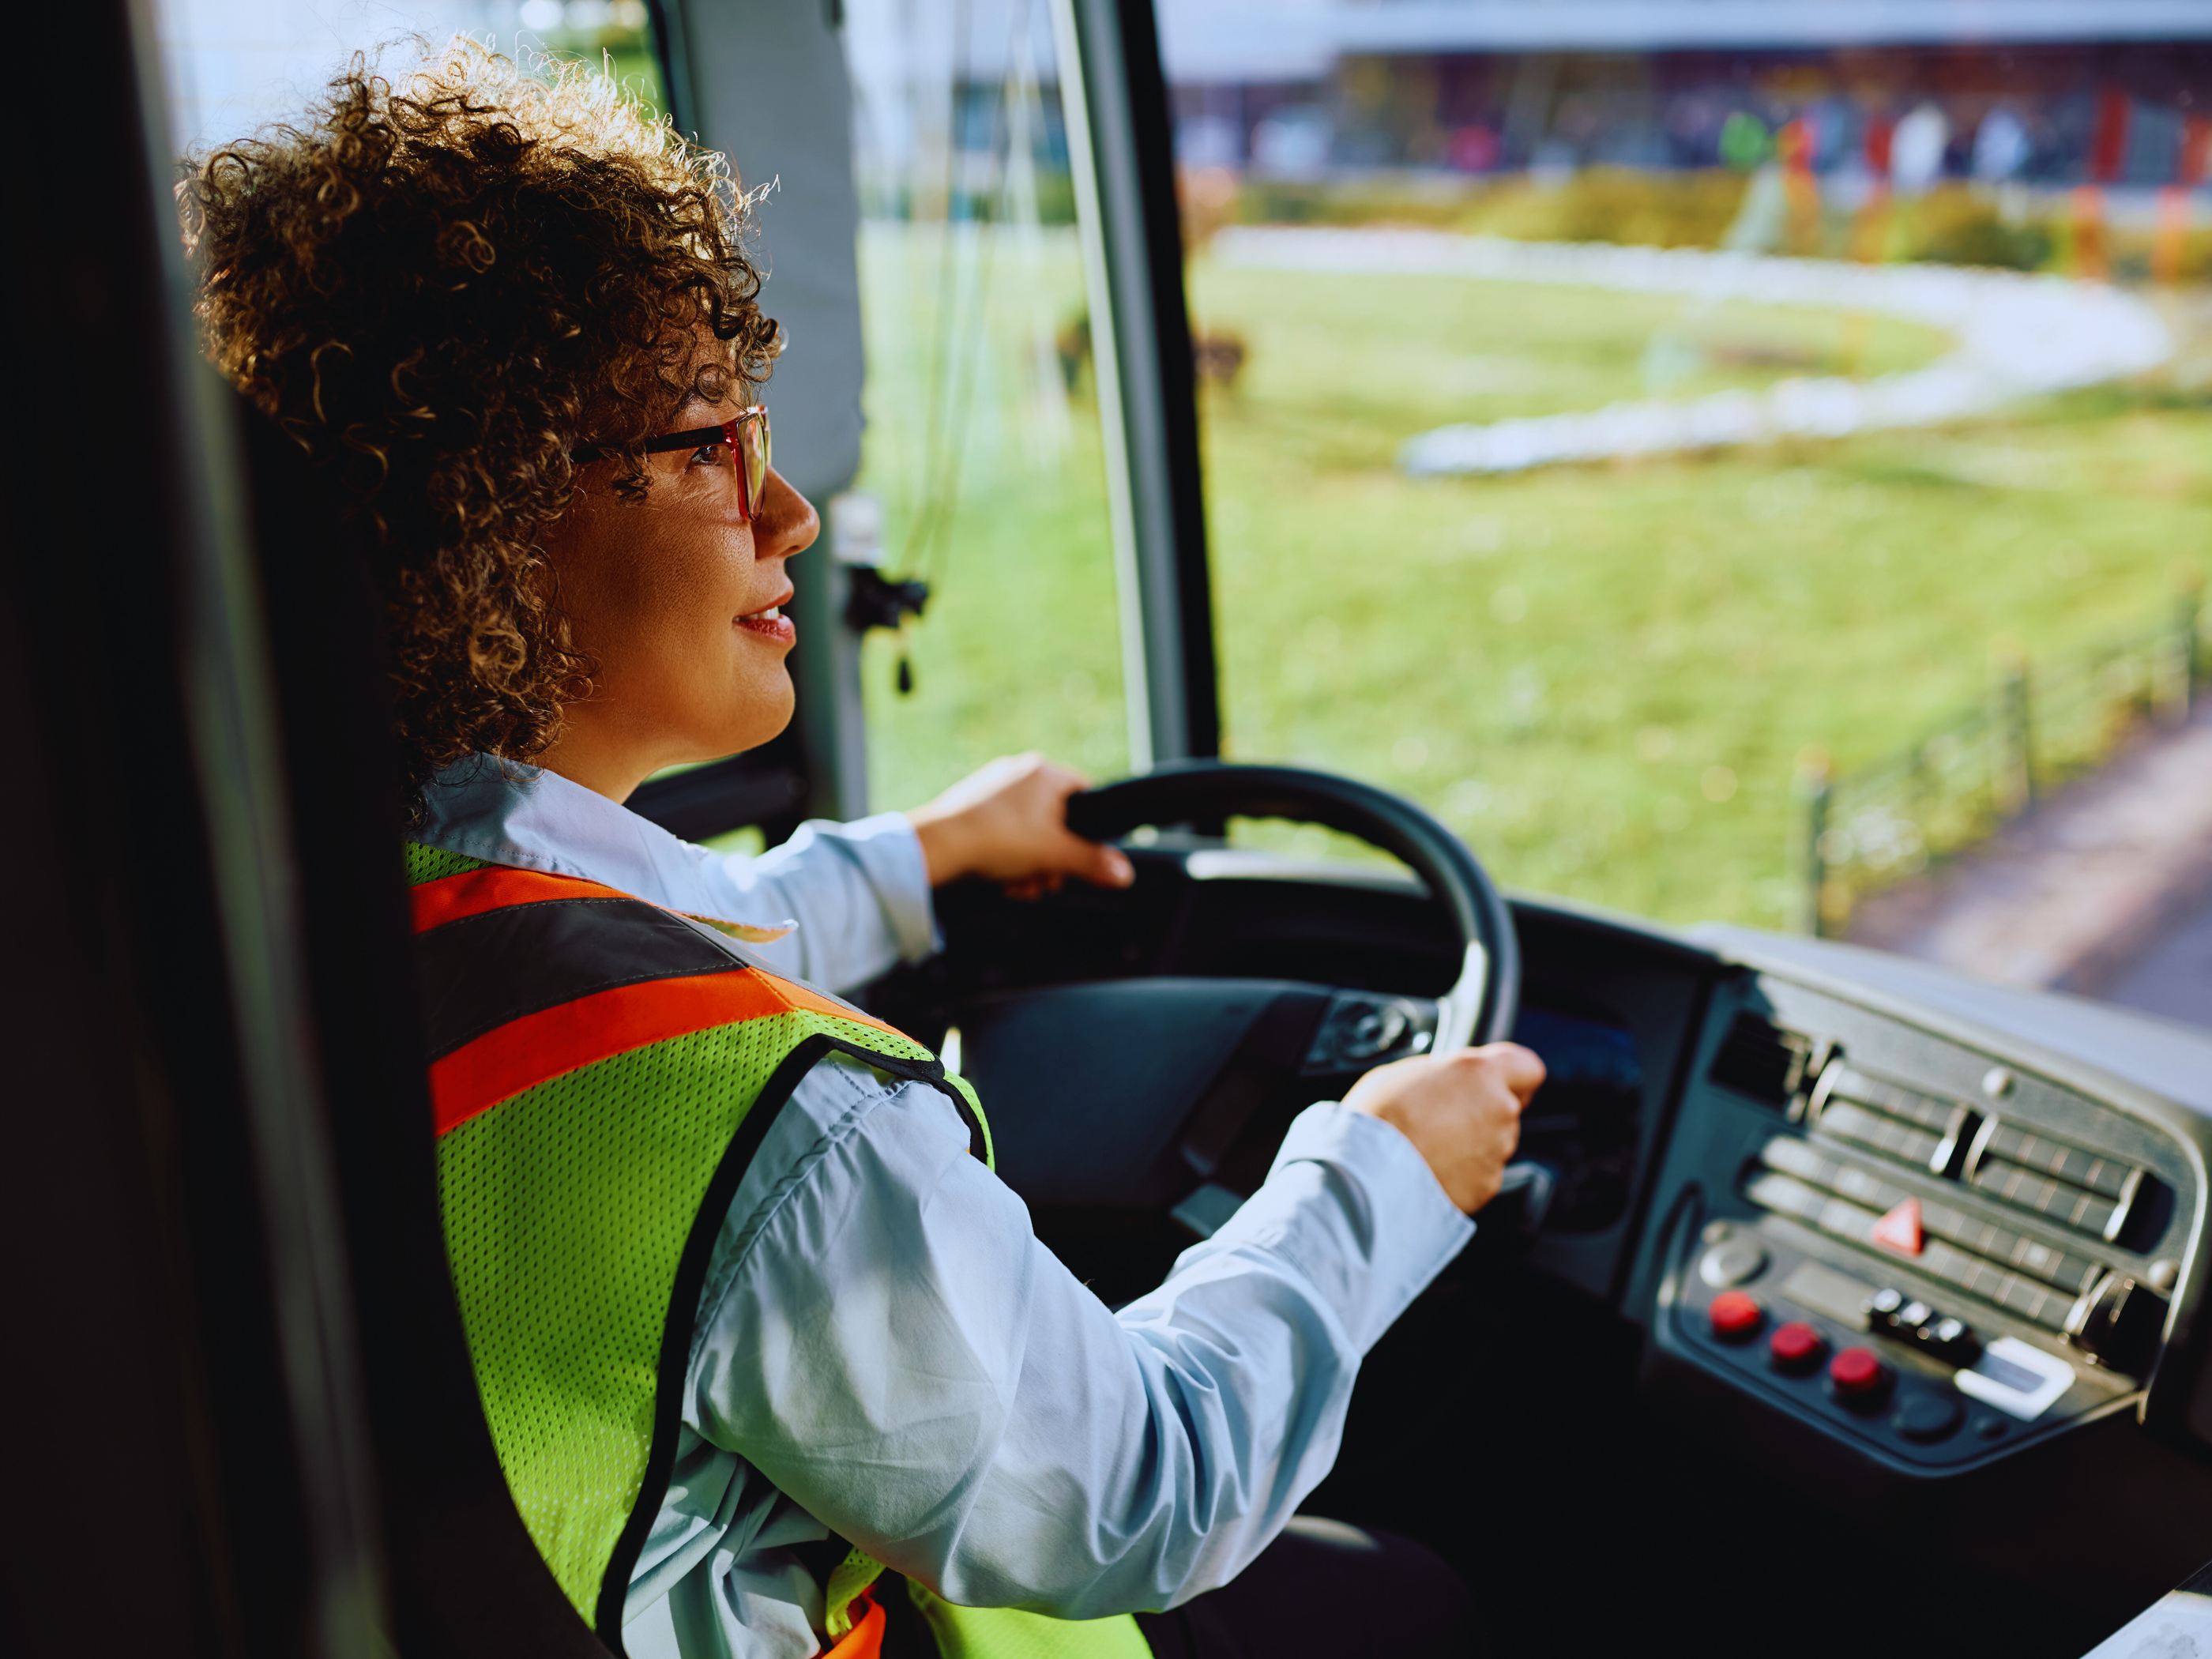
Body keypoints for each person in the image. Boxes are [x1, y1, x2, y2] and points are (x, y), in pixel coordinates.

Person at [186, 42, 1542, 1659]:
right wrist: (1380, 1171)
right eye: (708, 445)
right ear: (492, 512)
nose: (790, 516)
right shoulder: (773, 1129)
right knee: (1413, 1602)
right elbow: (1145, 1486)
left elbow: (629, 965)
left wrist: (926, 852)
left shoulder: (313, 912)